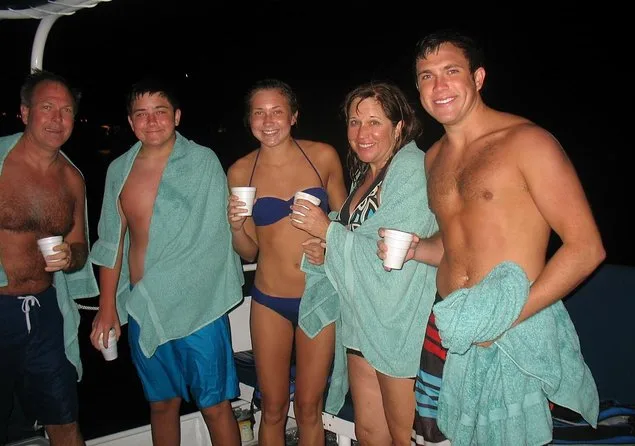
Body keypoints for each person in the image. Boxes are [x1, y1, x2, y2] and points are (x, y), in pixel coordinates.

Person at [378, 30, 606, 445]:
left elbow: (586, 248)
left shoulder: (527, 142)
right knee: (435, 438)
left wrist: (506, 319)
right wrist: (417, 249)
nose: (439, 86)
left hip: (510, 330)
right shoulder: (434, 158)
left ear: (478, 78)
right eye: (427, 76)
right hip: (449, 322)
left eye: (451, 71)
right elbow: (455, 243)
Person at [89, 78, 244, 446]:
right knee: (161, 404)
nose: (152, 121)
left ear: (176, 116)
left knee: (215, 405)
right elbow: (112, 242)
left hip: (198, 306)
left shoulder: (203, 162)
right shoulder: (119, 171)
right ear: (131, 122)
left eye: (160, 111)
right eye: (141, 114)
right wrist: (107, 306)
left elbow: (216, 237)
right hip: (145, 305)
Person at [294, 81, 438, 446]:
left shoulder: (411, 169)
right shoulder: (365, 173)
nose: (362, 133)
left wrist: (327, 231)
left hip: (397, 322)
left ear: (398, 127)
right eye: (355, 122)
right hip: (362, 321)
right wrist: (327, 248)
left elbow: (391, 246)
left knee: (405, 437)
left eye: (375, 122)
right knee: (370, 433)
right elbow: (356, 236)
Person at [226, 78, 347, 446]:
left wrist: (327, 244)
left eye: (277, 111)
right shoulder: (240, 171)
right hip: (269, 301)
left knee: (310, 407)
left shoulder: (322, 156)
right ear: (249, 119)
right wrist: (235, 227)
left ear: (293, 116)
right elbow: (249, 252)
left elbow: (346, 224)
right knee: (274, 408)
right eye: (258, 113)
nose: (268, 121)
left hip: (318, 296)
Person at [0, 69, 99, 446]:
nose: (57, 119)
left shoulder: (72, 179)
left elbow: (80, 248)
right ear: (25, 112)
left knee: (65, 419)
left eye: (67, 110)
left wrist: (70, 256)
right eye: (47, 108)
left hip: (44, 314)